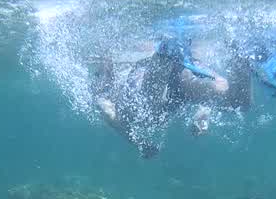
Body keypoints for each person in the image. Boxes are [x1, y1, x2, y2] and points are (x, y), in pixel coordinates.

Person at [94, 35, 230, 158]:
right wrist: (202, 115)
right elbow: (108, 112)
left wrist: (140, 144)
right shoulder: (117, 92)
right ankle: (169, 57)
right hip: (159, 100)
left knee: (146, 104)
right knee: (183, 87)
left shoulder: (116, 93)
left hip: (153, 102)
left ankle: (167, 55)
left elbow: (108, 112)